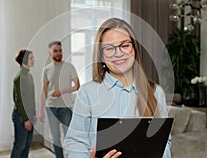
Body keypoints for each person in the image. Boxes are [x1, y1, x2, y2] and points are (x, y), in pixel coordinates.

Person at [64, 18, 171, 158]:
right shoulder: (87, 93)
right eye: (109, 48)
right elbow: (75, 142)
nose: (118, 53)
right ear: (101, 55)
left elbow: (164, 143)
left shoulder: (156, 92)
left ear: (134, 49)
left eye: (125, 45)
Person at [40, 41, 80, 158]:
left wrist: (61, 91)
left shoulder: (69, 67)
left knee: (69, 137)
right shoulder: (46, 69)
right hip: (51, 108)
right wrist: (41, 111)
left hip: (65, 108)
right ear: (50, 53)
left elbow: (77, 86)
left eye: (60, 50)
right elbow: (44, 91)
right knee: (55, 139)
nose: (58, 53)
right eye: (55, 51)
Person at [11, 49, 37, 158]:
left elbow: (31, 97)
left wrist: (34, 114)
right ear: (24, 60)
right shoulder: (19, 77)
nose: (33, 60)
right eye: (31, 58)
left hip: (29, 113)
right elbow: (19, 101)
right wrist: (26, 119)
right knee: (20, 145)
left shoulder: (29, 76)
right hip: (21, 115)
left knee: (26, 145)